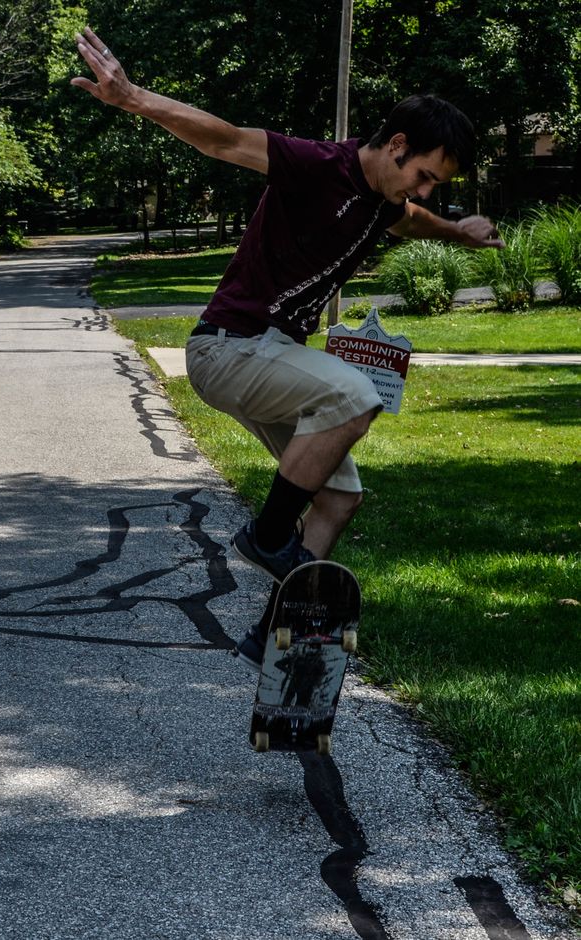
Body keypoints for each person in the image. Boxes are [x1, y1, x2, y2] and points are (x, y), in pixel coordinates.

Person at [72, 27, 503, 666]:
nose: (424, 190)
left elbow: (415, 220)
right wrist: (133, 97)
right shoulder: (314, 165)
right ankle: (268, 537)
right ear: (397, 145)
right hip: (228, 348)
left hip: (268, 359)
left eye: (436, 183)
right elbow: (222, 137)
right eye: (423, 175)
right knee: (355, 395)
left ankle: (273, 633)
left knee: (339, 497)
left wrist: (458, 233)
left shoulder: (388, 202)